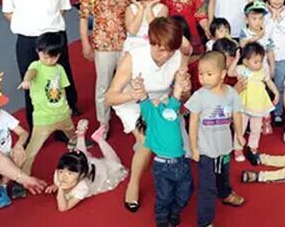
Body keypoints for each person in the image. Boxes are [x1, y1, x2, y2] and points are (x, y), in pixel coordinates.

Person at [105, 17, 188, 212]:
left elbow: (183, 92)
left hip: (161, 101)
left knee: (173, 142)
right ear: (151, 42)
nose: (166, 55)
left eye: (171, 50)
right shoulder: (133, 58)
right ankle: (133, 184)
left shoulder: (177, 56)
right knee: (147, 140)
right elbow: (109, 98)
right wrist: (135, 94)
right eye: (161, 50)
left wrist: (184, 88)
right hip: (131, 102)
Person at [2, 0, 78, 129]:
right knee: (31, 85)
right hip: (27, 40)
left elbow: (63, 7)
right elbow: (8, 11)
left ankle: (61, 128)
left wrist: (47, 24)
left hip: (54, 38)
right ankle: (36, 128)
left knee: (57, 83)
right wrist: (28, 25)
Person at [186, 51, 246, 227]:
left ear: (222, 74)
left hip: (224, 147)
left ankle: (225, 193)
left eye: (209, 74)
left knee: (223, 174)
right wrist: (193, 147)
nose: (203, 78)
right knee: (207, 187)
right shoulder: (199, 96)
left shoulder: (231, 93)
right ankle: (204, 222)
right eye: (201, 74)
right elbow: (193, 123)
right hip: (205, 150)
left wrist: (239, 134)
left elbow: (237, 114)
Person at [79, 0, 131, 133]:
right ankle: (104, 122)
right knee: (103, 84)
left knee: (128, 82)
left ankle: (130, 119)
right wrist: (85, 43)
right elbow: (83, 17)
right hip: (103, 44)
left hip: (126, 43)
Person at [138, 69, 192, 227]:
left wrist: (180, 78)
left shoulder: (170, 110)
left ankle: (175, 210)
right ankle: (162, 218)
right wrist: (140, 88)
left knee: (185, 192)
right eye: (153, 101)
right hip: (162, 166)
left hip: (181, 162)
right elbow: (143, 99)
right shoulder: (151, 115)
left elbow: (176, 93)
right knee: (164, 195)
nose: (158, 100)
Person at [18, 33, 77, 175]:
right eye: (45, 57)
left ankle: (78, 154)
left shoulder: (59, 69)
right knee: (32, 150)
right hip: (43, 119)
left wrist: (67, 107)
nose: (49, 61)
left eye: (53, 57)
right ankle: (23, 176)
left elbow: (62, 89)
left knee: (73, 135)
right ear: (38, 51)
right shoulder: (36, 66)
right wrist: (26, 81)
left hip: (63, 114)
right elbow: (31, 72)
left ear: (59, 55)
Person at [45, 120, 127, 212]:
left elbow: (63, 208)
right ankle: (81, 135)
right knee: (81, 157)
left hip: (100, 172)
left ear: (81, 176)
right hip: (83, 167)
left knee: (116, 164)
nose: (63, 176)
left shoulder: (82, 188)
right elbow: (63, 174)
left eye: (70, 173)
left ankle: (100, 139)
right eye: (61, 171)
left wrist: (60, 188)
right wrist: (56, 184)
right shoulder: (58, 175)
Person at [0, 76, 28, 207]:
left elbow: (23, 133)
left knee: (20, 156)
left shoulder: (2, 115)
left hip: (8, 157)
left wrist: (18, 145)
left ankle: (4, 185)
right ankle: (3, 180)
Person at [233, 43, 279, 162]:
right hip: (244, 104)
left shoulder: (263, 71)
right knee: (240, 128)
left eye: (261, 61)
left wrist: (276, 92)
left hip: (258, 104)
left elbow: (269, 82)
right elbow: (230, 73)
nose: (259, 64)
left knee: (256, 129)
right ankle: (238, 148)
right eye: (255, 62)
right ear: (245, 62)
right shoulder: (242, 70)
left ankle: (253, 147)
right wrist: (236, 59)